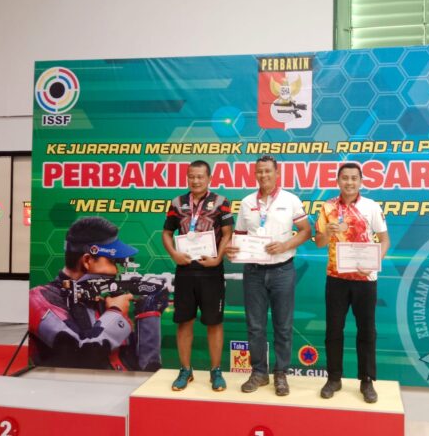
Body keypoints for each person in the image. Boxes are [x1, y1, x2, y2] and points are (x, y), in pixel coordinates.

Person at [29, 216, 167, 371]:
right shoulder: (38, 300)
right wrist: (116, 313)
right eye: (112, 261)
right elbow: (80, 354)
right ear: (87, 260)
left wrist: (148, 316)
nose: (116, 270)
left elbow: (146, 368)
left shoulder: (102, 300)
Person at [226, 155, 311, 396]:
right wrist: (233, 250)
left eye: (268, 171)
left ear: (277, 173)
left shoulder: (290, 200)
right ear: (255, 174)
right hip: (253, 272)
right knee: (255, 326)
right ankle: (259, 373)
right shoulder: (246, 202)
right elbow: (239, 236)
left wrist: (285, 245)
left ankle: (281, 374)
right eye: (259, 171)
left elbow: (306, 231)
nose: (263, 175)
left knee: (283, 326)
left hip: (282, 270)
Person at [314, 163, 390, 403]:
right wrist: (328, 233)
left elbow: (385, 240)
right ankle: (333, 378)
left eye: (354, 178)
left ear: (360, 181)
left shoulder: (371, 206)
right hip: (336, 278)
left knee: (366, 330)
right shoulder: (328, 207)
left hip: (365, 279)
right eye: (345, 178)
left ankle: (366, 381)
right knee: (333, 330)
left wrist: (374, 262)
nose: (349, 182)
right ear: (338, 181)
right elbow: (318, 242)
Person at [162, 160, 233, 392]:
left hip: (211, 271)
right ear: (187, 177)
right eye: (192, 176)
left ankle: (216, 371)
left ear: (209, 178)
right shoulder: (177, 203)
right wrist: (174, 254)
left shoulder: (221, 202)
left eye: (200, 176)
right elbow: (166, 232)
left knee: (214, 322)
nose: (196, 180)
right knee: (184, 321)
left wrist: (218, 258)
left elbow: (227, 233)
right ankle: (185, 370)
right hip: (185, 270)